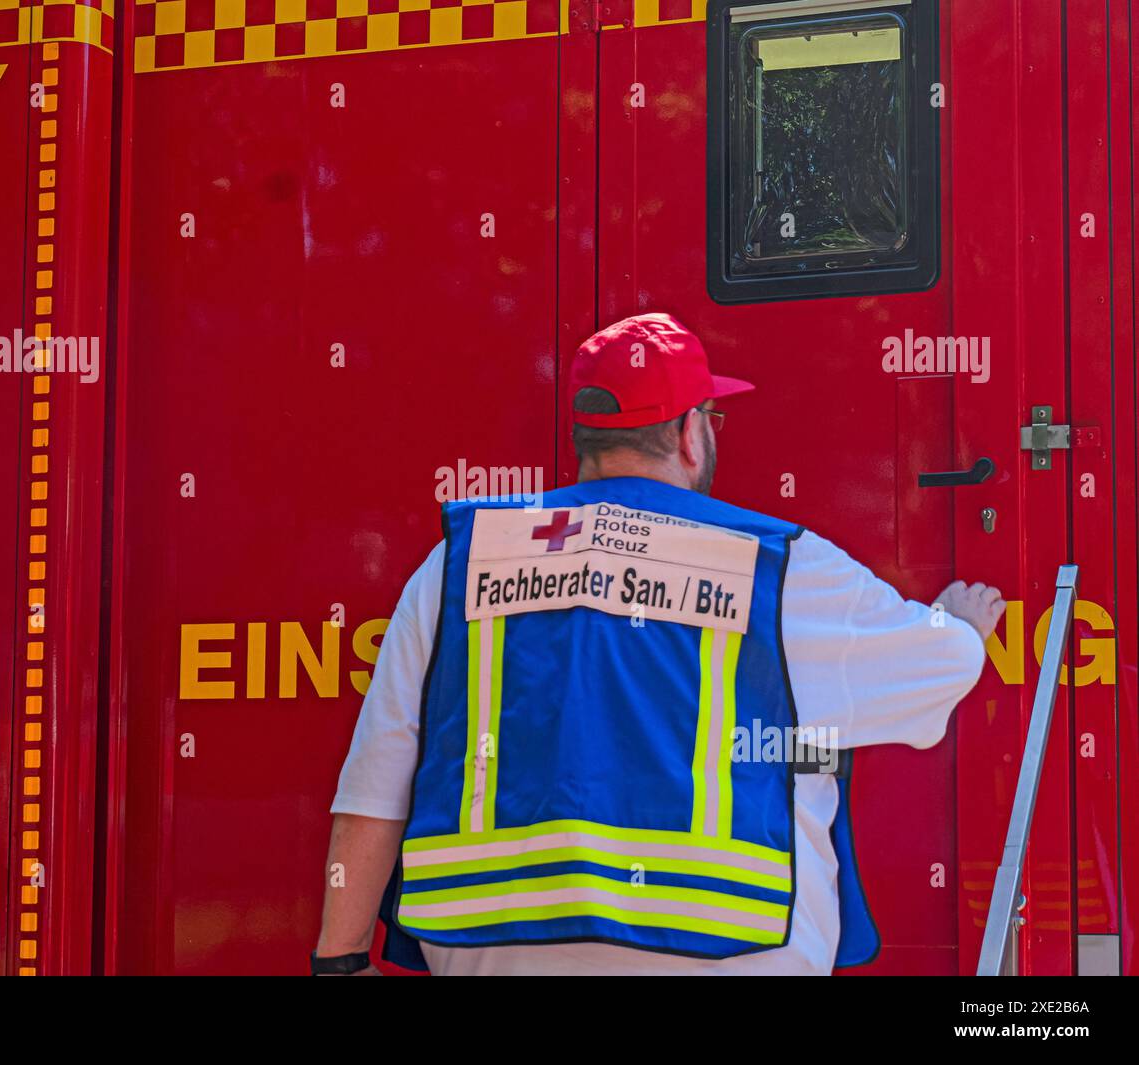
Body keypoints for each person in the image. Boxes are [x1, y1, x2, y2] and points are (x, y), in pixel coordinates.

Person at [313, 313, 1005, 976]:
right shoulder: (780, 564)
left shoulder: (460, 565)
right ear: (690, 434)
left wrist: (339, 959)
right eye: (712, 417)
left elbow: (375, 782)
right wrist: (960, 623)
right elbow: (937, 665)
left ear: (585, 440)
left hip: (496, 949)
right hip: (731, 944)